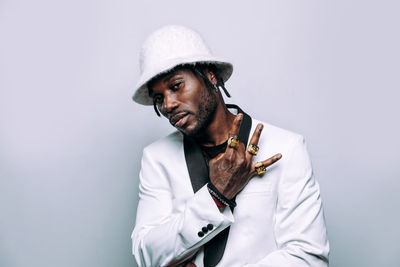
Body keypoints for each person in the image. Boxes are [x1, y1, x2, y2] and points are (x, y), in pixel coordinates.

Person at [131, 25, 329, 267]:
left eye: (176, 86)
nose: (168, 105)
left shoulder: (286, 148)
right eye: (158, 98)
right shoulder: (157, 158)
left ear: (211, 75)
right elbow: (147, 254)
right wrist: (215, 196)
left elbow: (309, 257)